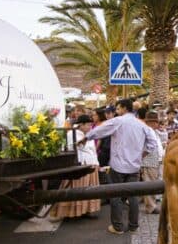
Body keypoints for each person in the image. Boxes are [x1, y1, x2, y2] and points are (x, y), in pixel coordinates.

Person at [84, 98, 158, 234]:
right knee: (133, 196)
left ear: (124, 108)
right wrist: (141, 155)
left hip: (118, 166)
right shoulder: (141, 125)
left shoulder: (118, 121)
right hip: (134, 166)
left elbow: (101, 130)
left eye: (118, 109)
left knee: (116, 195)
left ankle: (118, 227)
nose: (117, 111)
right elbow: (153, 143)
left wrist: (86, 137)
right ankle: (133, 226)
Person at [51, 114, 101, 220]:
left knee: (90, 190)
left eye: (91, 125)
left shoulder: (88, 134)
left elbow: (92, 150)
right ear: (81, 125)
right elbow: (80, 147)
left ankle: (87, 210)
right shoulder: (71, 134)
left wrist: (97, 163)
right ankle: (69, 212)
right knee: (76, 189)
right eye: (88, 125)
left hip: (91, 163)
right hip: (80, 165)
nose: (90, 127)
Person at [139, 111, 163, 215]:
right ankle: (151, 206)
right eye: (156, 122)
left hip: (153, 160)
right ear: (152, 122)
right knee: (149, 184)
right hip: (149, 161)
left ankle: (150, 204)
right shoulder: (147, 131)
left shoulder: (152, 131)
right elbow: (148, 147)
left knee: (151, 182)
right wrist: (143, 156)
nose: (158, 124)